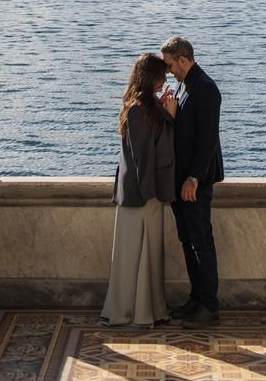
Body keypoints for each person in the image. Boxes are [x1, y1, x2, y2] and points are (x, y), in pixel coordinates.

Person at [101, 51, 177, 327]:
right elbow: (142, 157)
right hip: (142, 194)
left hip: (146, 192)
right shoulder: (138, 109)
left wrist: (167, 113)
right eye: (161, 76)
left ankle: (148, 309)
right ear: (150, 77)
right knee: (137, 254)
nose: (164, 81)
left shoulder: (146, 106)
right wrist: (149, 195)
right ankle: (134, 311)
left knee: (146, 254)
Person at [160, 34, 224, 328]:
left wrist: (193, 178)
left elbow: (207, 140)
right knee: (188, 240)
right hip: (181, 178)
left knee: (201, 242)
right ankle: (196, 298)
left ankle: (209, 306)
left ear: (183, 60)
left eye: (170, 65)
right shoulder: (184, 85)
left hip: (195, 181)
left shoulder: (206, 88)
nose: (168, 71)